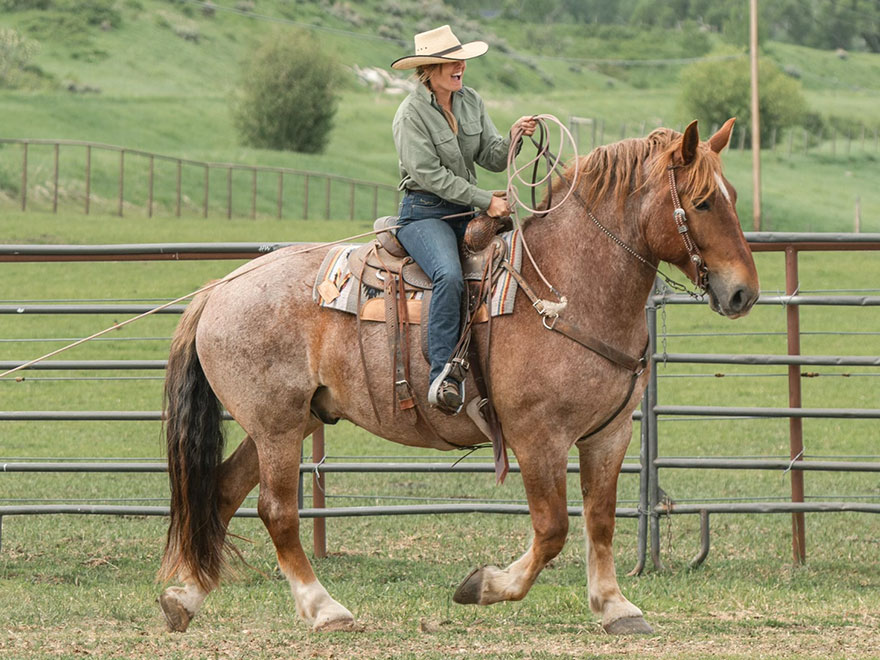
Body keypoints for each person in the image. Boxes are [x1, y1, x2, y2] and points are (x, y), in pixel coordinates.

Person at [390, 25, 536, 414]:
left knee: (515, 264)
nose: (460, 67)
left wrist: (515, 138)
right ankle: (443, 375)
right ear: (429, 70)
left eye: (461, 61)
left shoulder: (470, 101)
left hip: (465, 211)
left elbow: (490, 154)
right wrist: (485, 200)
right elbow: (429, 176)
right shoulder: (410, 115)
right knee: (449, 276)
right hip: (424, 214)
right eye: (451, 63)